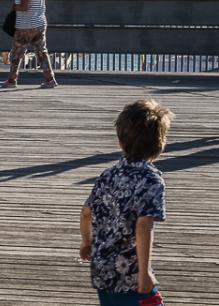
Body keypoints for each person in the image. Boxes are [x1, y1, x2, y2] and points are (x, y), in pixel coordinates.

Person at [79, 99, 174, 306]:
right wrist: (145, 271)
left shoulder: (108, 174)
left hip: (102, 269)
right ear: (161, 143)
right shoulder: (152, 179)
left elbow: (86, 212)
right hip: (130, 273)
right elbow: (143, 226)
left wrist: (87, 242)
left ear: (121, 144)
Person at [0, 0, 58, 88]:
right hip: (40, 24)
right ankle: (50, 79)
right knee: (42, 52)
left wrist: (15, 7)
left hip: (26, 26)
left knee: (16, 53)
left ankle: (12, 80)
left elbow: (24, 6)